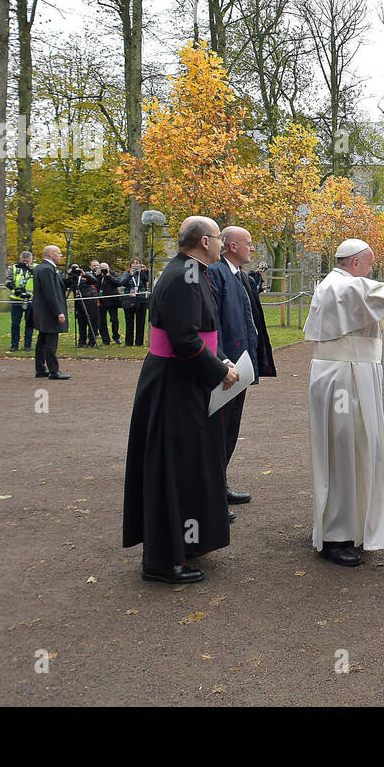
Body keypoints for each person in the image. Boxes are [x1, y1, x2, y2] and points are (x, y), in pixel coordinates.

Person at [302, 235, 384, 567]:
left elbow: (380, 304)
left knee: (350, 449)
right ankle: (336, 535)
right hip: (345, 378)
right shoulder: (345, 287)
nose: (373, 269)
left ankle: (347, 526)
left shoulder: (336, 284)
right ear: (356, 262)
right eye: (371, 263)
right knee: (345, 450)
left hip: (345, 373)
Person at [123, 216, 240, 585]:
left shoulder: (191, 271)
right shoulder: (185, 276)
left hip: (182, 380)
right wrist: (219, 371)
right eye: (220, 238)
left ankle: (186, 542)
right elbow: (185, 340)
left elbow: (196, 335)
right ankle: (160, 560)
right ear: (205, 242)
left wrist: (217, 359)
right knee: (171, 469)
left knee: (188, 467)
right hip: (173, 385)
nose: (223, 244)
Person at [206, 226, 275, 514]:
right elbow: (213, 324)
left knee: (230, 430)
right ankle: (211, 494)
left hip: (242, 365)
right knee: (217, 432)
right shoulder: (216, 273)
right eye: (248, 244)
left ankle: (219, 485)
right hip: (227, 368)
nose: (253, 249)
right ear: (232, 246)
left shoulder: (241, 276)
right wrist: (221, 361)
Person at [31, 245, 69, 381]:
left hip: (42, 311)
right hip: (48, 312)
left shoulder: (41, 268)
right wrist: (58, 312)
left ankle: (40, 368)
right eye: (59, 253)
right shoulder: (47, 269)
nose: (60, 255)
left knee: (42, 341)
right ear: (51, 254)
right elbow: (50, 293)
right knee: (51, 342)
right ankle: (54, 370)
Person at [6, 250, 35, 352]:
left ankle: (28, 344)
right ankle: (14, 344)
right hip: (16, 300)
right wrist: (15, 288)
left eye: (27, 261)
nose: (25, 263)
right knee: (15, 323)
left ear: (31, 260)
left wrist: (29, 268)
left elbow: (39, 277)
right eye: (24, 261)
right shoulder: (13, 268)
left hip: (30, 300)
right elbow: (8, 280)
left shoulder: (35, 267)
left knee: (29, 323)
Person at [120, 259, 150, 347]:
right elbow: (122, 283)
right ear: (131, 265)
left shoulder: (142, 274)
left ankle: (139, 342)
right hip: (129, 300)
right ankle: (129, 342)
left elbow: (148, 280)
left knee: (140, 322)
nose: (135, 265)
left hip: (141, 300)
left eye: (137, 263)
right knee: (129, 322)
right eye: (134, 263)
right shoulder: (127, 274)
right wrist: (130, 275)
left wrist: (145, 271)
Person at [97, 262, 122, 345]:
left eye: (105, 268)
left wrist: (108, 275)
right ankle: (105, 340)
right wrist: (97, 275)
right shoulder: (99, 276)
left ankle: (116, 336)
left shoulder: (114, 274)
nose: (103, 270)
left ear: (108, 268)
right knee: (102, 322)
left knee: (114, 320)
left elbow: (118, 283)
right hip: (101, 301)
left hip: (112, 301)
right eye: (101, 268)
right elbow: (94, 284)